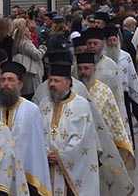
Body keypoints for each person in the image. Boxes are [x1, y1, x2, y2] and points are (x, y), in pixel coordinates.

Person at [38, 62, 100, 195]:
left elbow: (81, 139)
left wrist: (61, 156)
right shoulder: (44, 104)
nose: (52, 84)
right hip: (47, 166)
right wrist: (46, 152)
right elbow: (37, 133)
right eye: (50, 80)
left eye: (56, 81)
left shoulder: (81, 105)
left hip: (73, 170)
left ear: (68, 83)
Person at [0, 61, 51, 196]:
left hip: (25, 176)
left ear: (20, 85)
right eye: (3, 80)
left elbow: (36, 148)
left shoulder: (32, 110)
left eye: (10, 80)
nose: (6, 84)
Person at [75, 52, 135, 171]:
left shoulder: (104, 91)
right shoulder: (73, 90)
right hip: (77, 149)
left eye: (86, 68)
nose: (83, 72)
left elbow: (114, 119)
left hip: (101, 147)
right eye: (80, 68)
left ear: (94, 69)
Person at [11, 18, 46, 97]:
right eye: (28, 32)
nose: (30, 33)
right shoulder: (27, 44)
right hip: (32, 73)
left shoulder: (18, 44)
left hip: (25, 72)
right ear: (24, 34)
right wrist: (42, 49)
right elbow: (37, 55)